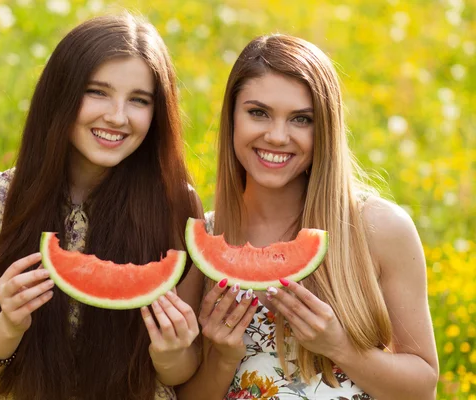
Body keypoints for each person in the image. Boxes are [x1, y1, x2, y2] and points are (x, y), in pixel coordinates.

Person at [0, 14, 205, 400]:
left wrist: (171, 350)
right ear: (61, 93)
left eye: (139, 100)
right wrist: (8, 326)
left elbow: (179, 373)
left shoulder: (177, 204)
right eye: (97, 92)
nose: (117, 117)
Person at [176, 34, 439, 399]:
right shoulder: (203, 239)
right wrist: (222, 357)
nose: (278, 136)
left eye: (301, 119)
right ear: (231, 116)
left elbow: (423, 388)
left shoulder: (379, 228)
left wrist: (341, 348)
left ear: (325, 131)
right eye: (258, 112)